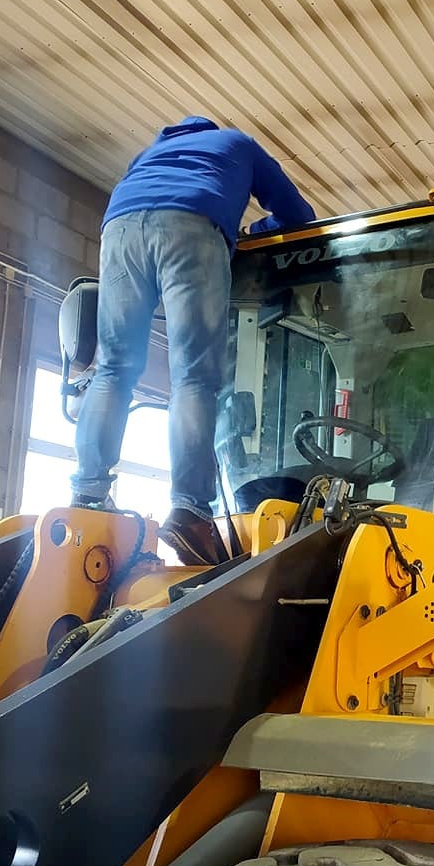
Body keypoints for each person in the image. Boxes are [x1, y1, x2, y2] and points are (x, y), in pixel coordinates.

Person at [71, 116, 315, 564]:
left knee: (113, 368)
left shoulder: (146, 156)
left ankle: (87, 495)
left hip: (119, 229)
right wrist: (249, 236)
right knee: (194, 378)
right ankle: (190, 508)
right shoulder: (237, 144)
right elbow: (299, 215)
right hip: (192, 223)